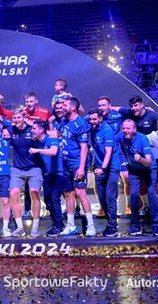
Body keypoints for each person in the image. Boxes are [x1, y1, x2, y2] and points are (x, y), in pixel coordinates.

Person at [115, 119, 158, 236]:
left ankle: (156, 225)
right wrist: (123, 166)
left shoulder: (142, 139)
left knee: (151, 192)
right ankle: (135, 225)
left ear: (134, 129)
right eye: (124, 128)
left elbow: (149, 162)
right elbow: (113, 144)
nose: (125, 130)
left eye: (128, 128)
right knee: (134, 194)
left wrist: (140, 159)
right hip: (134, 169)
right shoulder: (120, 136)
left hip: (149, 168)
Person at [59, 97, 96, 237]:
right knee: (68, 194)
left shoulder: (81, 123)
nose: (62, 107)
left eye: (65, 105)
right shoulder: (64, 121)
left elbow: (84, 148)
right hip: (65, 163)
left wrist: (81, 168)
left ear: (73, 107)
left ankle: (91, 226)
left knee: (80, 193)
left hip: (76, 163)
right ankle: (71, 225)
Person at [9, 109, 42, 237]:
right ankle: (19, 227)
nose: (16, 120)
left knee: (34, 193)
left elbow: (45, 135)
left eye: (18, 117)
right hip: (17, 168)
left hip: (34, 167)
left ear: (24, 118)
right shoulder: (11, 130)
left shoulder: (31, 129)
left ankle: (35, 227)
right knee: (13, 193)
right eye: (14, 118)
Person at [88, 109, 121, 237]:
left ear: (100, 119)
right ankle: (111, 223)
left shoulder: (107, 131)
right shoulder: (91, 128)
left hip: (111, 166)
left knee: (110, 196)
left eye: (94, 119)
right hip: (99, 167)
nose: (92, 121)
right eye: (90, 119)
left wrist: (102, 168)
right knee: (102, 198)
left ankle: (113, 226)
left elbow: (108, 152)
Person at [28, 119, 60, 236]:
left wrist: (38, 150)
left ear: (41, 130)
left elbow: (54, 151)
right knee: (48, 201)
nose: (32, 131)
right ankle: (57, 223)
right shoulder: (36, 141)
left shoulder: (51, 138)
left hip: (57, 173)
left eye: (34, 128)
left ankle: (58, 225)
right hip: (47, 174)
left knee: (54, 199)